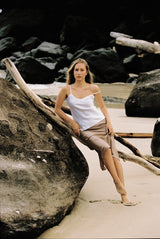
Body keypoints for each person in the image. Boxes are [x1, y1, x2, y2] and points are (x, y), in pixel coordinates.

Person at [55, 58, 135, 206]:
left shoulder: (93, 88)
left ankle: (124, 195)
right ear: (73, 72)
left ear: (86, 72)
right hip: (85, 129)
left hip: (101, 124)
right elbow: (57, 109)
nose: (79, 72)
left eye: (81, 70)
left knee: (115, 157)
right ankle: (117, 183)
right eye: (76, 70)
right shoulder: (66, 89)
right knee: (104, 148)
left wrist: (109, 123)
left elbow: (103, 108)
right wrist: (73, 122)